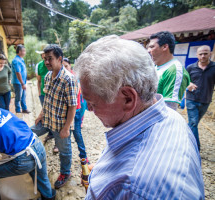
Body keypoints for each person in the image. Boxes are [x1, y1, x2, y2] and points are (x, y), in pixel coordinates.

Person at [75, 35, 204, 199]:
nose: (90, 110)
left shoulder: (132, 187)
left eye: (92, 103)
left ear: (128, 99)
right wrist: (105, 172)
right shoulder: (171, 117)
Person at [31, 44, 78, 189]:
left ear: (60, 59)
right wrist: (41, 114)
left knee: (64, 151)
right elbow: (48, 99)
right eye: (45, 59)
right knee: (29, 132)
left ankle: (65, 173)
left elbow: (72, 106)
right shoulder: (47, 76)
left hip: (60, 125)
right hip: (46, 120)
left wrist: (66, 127)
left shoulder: (68, 79)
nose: (46, 62)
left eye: (50, 59)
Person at [147, 31, 190, 110]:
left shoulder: (174, 71)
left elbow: (169, 108)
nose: (148, 50)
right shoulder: (155, 66)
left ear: (164, 47)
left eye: (152, 47)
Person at [186, 45, 215, 151]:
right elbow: (184, 80)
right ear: (197, 55)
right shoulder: (190, 68)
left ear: (210, 53)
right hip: (191, 99)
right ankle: (195, 149)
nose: (203, 56)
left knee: (193, 124)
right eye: (200, 54)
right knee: (193, 122)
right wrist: (188, 84)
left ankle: (184, 136)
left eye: (205, 53)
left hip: (205, 100)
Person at [63, 57, 88, 161]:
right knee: (65, 135)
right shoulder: (62, 76)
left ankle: (84, 156)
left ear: (70, 66)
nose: (64, 68)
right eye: (62, 67)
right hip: (65, 111)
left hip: (75, 111)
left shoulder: (74, 77)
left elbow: (77, 92)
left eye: (66, 66)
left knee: (77, 134)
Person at [35, 49, 58, 153]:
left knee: (55, 117)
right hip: (44, 94)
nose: (44, 57)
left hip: (54, 95)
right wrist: (39, 93)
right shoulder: (39, 65)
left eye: (47, 56)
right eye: (43, 56)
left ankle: (57, 141)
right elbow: (39, 80)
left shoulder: (53, 65)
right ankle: (50, 132)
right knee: (46, 115)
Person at [11, 44, 30, 114]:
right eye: (23, 51)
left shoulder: (21, 59)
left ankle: (24, 109)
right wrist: (22, 83)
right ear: (19, 51)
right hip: (18, 83)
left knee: (23, 96)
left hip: (22, 82)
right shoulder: (16, 61)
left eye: (25, 51)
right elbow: (18, 73)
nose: (25, 52)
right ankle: (18, 111)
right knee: (18, 97)